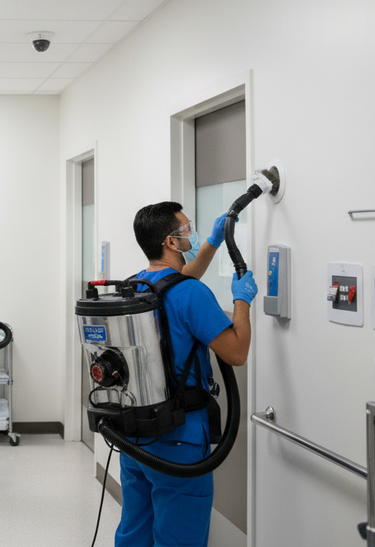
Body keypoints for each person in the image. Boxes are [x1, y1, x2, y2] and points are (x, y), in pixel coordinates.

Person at [117, 201, 257, 546]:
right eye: (186, 229)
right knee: (179, 537)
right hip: (178, 438)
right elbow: (236, 353)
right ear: (170, 242)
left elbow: (178, 281)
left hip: (134, 434)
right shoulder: (191, 294)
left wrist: (212, 242)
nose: (191, 234)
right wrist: (242, 301)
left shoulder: (134, 286)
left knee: (136, 529)